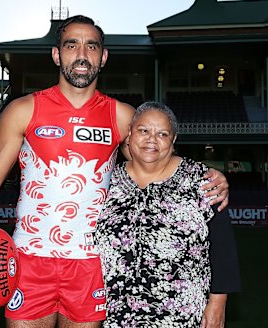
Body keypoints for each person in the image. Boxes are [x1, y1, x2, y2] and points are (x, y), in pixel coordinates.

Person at [0, 15, 230, 328]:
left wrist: (209, 175)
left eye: (91, 46)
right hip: (29, 259)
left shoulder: (122, 117)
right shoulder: (24, 110)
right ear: (57, 55)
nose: (82, 54)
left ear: (104, 57)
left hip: (90, 264)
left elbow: (161, 166)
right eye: (72, 45)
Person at [95, 102, 240, 328]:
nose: (152, 139)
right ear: (130, 134)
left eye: (162, 133)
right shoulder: (103, 182)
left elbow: (222, 246)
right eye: (144, 131)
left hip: (181, 315)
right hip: (115, 314)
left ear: (172, 140)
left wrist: (218, 302)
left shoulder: (202, 182)